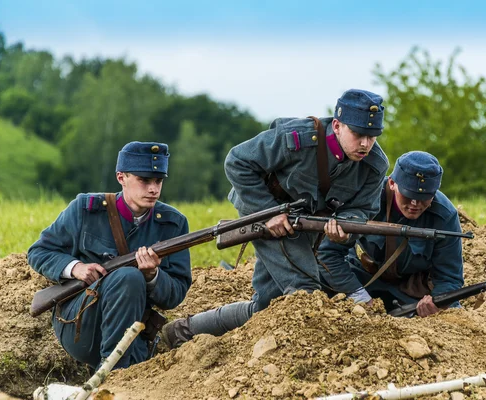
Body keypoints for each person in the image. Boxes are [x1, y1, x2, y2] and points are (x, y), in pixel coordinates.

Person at [161, 89, 390, 348]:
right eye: (358, 134)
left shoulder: (375, 165)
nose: (365, 144)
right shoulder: (298, 138)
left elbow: (363, 208)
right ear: (337, 125)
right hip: (262, 210)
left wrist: (346, 225)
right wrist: (270, 211)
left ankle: (181, 332)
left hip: (308, 224)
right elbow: (237, 162)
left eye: (372, 137)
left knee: (266, 305)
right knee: (304, 293)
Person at [28, 141, 192, 370]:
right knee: (129, 277)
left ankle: (117, 372)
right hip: (81, 327)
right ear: (121, 178)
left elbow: (174, 295)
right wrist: (75, 267)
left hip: (134, 336)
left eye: (158, 181)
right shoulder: (86, 209)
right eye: (144, 180)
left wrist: (153, 275)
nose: (153, 189)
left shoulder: (173, 224)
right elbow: (39, 251)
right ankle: (112, 373)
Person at [318, 151, 464, 317]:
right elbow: (328, 254)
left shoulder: (445, 216)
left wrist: (436, 302)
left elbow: (450, 278)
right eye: (409, 195)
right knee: (314, 284)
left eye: (424, 197)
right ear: (393, 183)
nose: (415, 204)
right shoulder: (368, 197)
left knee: (451, 313)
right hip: (361, 278)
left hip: (409, 291)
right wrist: (356, 294)